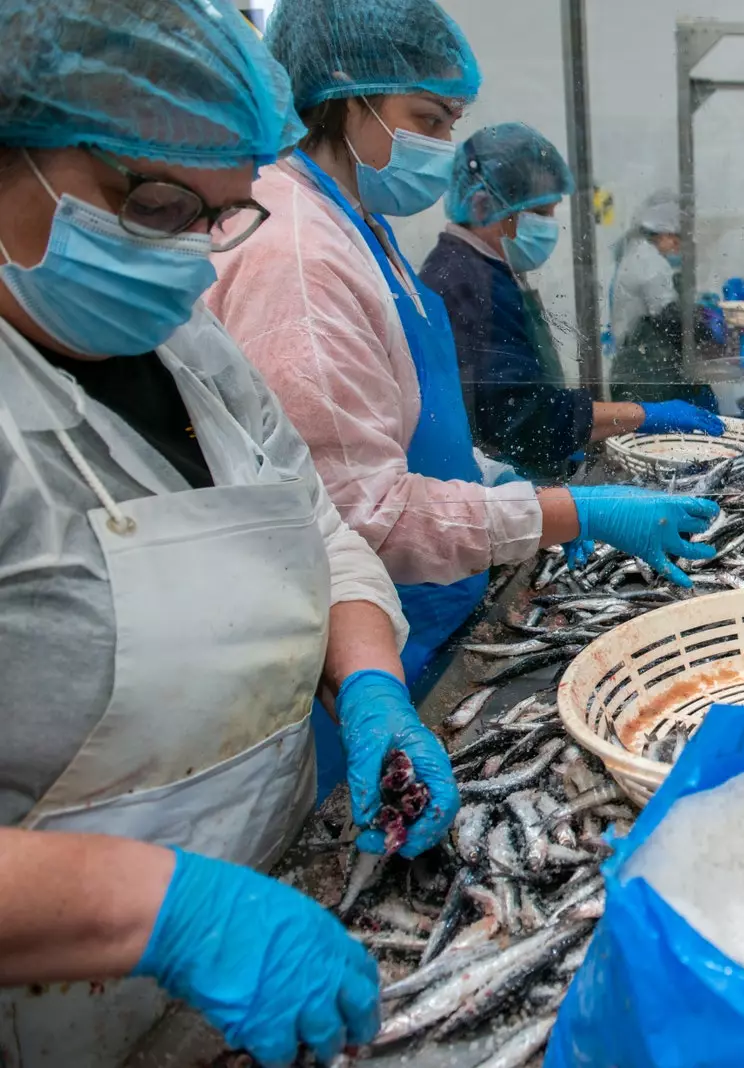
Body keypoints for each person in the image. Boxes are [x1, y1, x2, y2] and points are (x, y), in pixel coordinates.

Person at [0, 2, 458, 1063]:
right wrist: (158, 910)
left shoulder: (189, 345)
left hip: (265, 911)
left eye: (220, 215)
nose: (191, 260)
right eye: (151, 202)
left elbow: (316, 529)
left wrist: (373, 687)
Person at [207, 0, 720, 696]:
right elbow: (360, 512)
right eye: (426, 119)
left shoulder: (358, 226)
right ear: (342, 95)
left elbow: (414, 423)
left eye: (452, 123)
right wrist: (573, 510)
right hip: (373, 631)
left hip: (430, 587)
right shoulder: (300, 253)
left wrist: (498, 483)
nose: (443, 146)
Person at [420, 122, 722, 480]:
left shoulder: (485, 270)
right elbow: (521, 417)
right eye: (541, 215)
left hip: (527, 469)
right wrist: (642, 415)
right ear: (484, 206)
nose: (550, 228)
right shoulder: (466, 284)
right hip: (506, 480)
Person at [609, 189, 718, 408]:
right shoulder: (650, 262)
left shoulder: (637, 252)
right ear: (664, 234)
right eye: (676, 240)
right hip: (644, 374)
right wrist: (706, 325)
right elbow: (668, 316)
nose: (677, 247)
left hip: (636, 364)